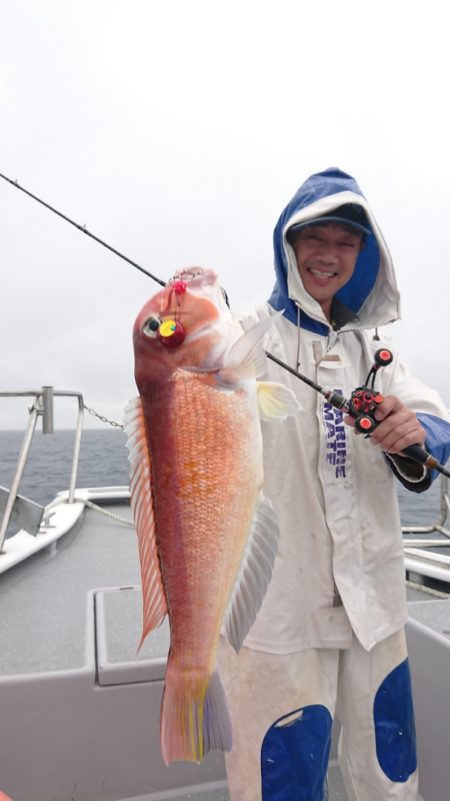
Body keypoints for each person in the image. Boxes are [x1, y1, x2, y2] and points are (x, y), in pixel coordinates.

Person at [218, 167, 450, 801]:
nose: (328, 254)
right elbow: (180, 377)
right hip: (274, 609)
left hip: (373, 601)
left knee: (389, 768)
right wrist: (174, 320)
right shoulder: (239, 337)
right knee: (281, 775)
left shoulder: (374, 349)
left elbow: (434, 419)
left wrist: (417, 430)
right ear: (287, 247)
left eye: (345, 241)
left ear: (364, 255)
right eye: (312, 237)